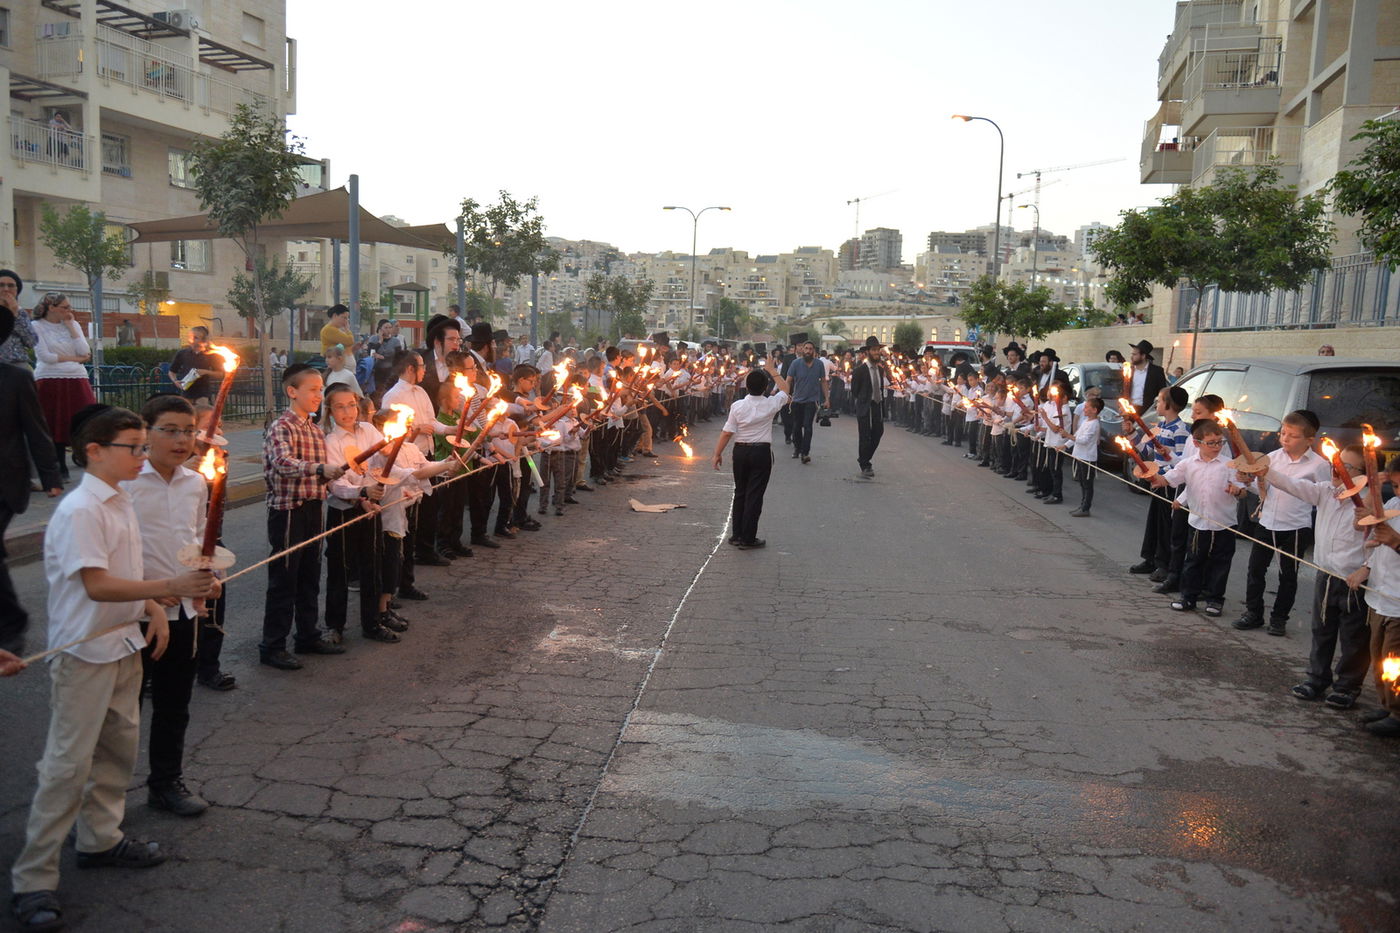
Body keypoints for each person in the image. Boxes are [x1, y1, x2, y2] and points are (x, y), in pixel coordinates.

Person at [9, 406, 216, 933]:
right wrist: (167, 590)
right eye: (134, 446)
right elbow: (97, 584)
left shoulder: (120, 499)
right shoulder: (82, 509)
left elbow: (129, 571)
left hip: (123, 643)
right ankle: (33, 880)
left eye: (144, 445)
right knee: (67, 766)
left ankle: (101, 839)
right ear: (94, 451)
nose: (142, 455)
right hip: (84, 653)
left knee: (117, 751)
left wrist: (153, 610)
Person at [124, 395, 218, 817]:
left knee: (174, 704)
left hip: (182, 611)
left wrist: (207, 576)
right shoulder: (127, 483)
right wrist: (150, 590)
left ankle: (166, 782)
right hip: (133, 611)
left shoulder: (195, 483)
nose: (182, 440)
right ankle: (103, 800)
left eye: (189, 431)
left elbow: (197, 538)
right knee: (123, 712)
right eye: (171, 430)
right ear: (146, 433)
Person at [1257, 444, 1371, 710]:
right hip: (1326, 574)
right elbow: (1293, 485)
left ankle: (1347, 686)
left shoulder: (1369, 503)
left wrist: (1366, 568)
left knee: (1353, 637)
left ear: (1363, 474)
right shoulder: (1326, 491)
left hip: (1354, 580)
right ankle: (1317, 678)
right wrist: (1265, 471)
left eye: (1346, 467)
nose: (1336, 470)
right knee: (1322, 630)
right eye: (1336, 464)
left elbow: (1379, 543)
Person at [258, 364, 347, 671]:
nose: (318, 395)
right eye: (313, 389)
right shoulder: (282, 427)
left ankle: (307, 635)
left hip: (313, 508)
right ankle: (273, 645)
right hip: (288, 512)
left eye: (321, 389)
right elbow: (283, 462)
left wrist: (349, 484)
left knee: (310, 576)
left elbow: (324, 474)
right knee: (284, 579)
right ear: (292, 391)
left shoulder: (315, 429)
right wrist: (319, 469)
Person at [0, 304, 63, 661]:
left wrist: (51, 476)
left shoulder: (15, 379)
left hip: (5, 480)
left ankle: (11, 623)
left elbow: (36, 430)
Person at [1234, 411, 1330, 636]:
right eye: (1283, 433)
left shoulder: (1319, 465)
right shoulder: (1273, 457)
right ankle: (1253, 612)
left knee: (1288, 575)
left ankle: (1279, 618)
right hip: (1267, 521)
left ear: (1309, 440)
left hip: (1296, 526)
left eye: (1293, 436)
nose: (1285, 439)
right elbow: (1262, 488)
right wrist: (1247, 481)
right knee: (1256, 569)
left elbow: (1323, 495)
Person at [321, 384, 401, 645]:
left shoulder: (368, 429)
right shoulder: (331, 441)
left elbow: (378, 463)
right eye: (340, 407)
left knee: (372, 566)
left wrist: (391, 447)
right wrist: (361, 494)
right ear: (330, 411)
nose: (348, 412)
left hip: (370, 507)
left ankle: (372, 622)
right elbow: (336, 484)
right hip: (343, 511)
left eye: (352, 405)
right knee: (340, 570)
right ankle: (335, 626)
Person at [1151, 418, 1247, 616]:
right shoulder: (1188, 464)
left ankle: (1215, 599)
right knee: (1193, 561)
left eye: (1219, 442)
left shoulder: (1229, 465)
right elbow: (1167, 480)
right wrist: (1151, 475)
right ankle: (1188, 597)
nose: (1217, 446)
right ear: (1196, 443)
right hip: (1198, 523)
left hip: (1224, 524)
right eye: (1211, 443)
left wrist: (1236, 490)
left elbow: (1243, 490)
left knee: (1220, 563)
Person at [712, 358, 790, 550]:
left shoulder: (737, 406)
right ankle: (748, 537)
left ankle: (736, 534)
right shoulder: (771, 404)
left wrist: (717, 453)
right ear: (765, 387)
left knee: (740, 492)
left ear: (746, 386)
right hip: (761, 452)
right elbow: (785, 389)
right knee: (754, 495)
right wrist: (772, 370)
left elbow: (727, 432)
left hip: (740, 451)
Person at [33, 292, 96, 482]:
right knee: (54, 423)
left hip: (76, 378)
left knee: (85, 422)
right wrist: (75, 359)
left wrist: (70, 327)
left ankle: (90, 463)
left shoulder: (73, 324)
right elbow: (45, 356)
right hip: (49, 378)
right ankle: (59, 466)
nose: (70, 310)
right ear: (51, 308)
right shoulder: (36, 326)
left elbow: (85, 351)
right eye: (65, 307)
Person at [850, 336, 890, 478]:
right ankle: (865, 465)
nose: (876, 352)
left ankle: (864, 457)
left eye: (878, 350)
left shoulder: (880, 370)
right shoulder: (859, 371)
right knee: (865, 435)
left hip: (877, 405)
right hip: (865, 406)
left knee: (878, 432)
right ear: (867, 352)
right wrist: (863, 400)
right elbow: (855, 390)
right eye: (873, 350)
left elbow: (880, 388)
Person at [786, 341, 828, 465]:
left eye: (810, 349)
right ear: (802, 350)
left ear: (814, 351)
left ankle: (805, 453)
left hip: (811, 401)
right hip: (797, 400)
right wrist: (787, 395)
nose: (808, 351)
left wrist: (827, 398)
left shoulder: (819, 364)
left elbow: (823, 381)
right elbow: (788, 380)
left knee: (808, 426)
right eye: (806, 348)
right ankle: (797, 448)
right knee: (797, 427)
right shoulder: (796, 363)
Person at [1069, 396, 1103, 517]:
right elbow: (1077, 436)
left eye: (1087, 407)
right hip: (1080, 455)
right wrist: (1064, 445)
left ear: (1094, 410)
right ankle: (1082, 505)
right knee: (1082, 483)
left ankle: (1085, 508)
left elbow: (1083, 440)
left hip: (1088, 457)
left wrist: (1068, 436)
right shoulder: (1085, 421)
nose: (1084, 409)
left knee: (1087, 484)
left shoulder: (1094, 424)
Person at [168, 325, 220, 403]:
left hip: (203, 392)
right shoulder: (182, 353)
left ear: (203, 340)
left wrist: (205, 372)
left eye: (196, 338)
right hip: (186, 392)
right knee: (188, 410)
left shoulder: (211, 354)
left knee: (202, 409)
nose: (191, 340)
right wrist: (175, 381)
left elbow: (220, 374)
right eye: (190, 337)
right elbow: (171, 372)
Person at [0, 270, 38, 368]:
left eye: (11, 286)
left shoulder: (21, 313)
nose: (6, 289)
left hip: (17, 364)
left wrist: (16, 315)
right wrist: (10, 316)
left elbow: (31, 342)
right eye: (1, 285)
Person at [1125, 340, 1168, 411]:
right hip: (1129, 409)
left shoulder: (1156, 371)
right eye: (1132, 354)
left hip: (1147, 411)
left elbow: (1162, 392)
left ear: (1143, 356)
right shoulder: (1128, 370)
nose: (1131, 357)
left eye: (1134, 354)